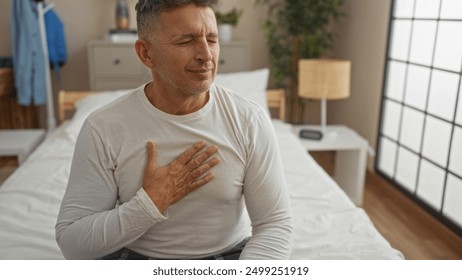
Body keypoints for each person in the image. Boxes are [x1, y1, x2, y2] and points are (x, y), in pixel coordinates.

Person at [55, 0, 293, 260]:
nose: (206, 55)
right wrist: (149, 204)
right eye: (186, 41)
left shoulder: (249, 120)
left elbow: (274, 225)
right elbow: (73, 244)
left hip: (230, 257)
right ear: (146, 53)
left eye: (211, 39)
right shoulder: (103, 128)